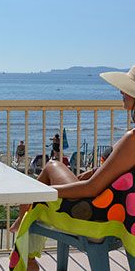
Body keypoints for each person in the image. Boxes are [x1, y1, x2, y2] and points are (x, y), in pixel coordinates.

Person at [9, 64, 135, 270]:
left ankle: (26, 242)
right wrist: (94, 172)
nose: (121, 91)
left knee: (50, 168)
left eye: (127, 88)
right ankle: (24, 219)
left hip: (95, 215)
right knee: (47, 179)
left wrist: (40, 192)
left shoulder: (132, 139)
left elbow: (92, 188)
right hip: (116, 211)